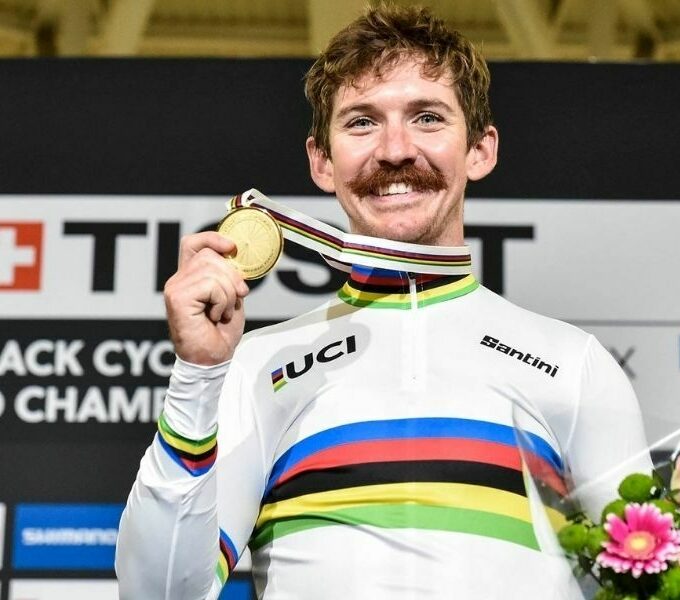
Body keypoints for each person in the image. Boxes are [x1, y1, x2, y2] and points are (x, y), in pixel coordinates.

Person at [115, 5, 650, 599]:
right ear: (322, 161)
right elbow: (159, 593)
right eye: (362, 122)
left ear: (480, 149)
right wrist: (197, 375)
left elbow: (645, 581)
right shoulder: (254, 365)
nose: (395, 150)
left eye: (427, 117)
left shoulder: (574, 363)